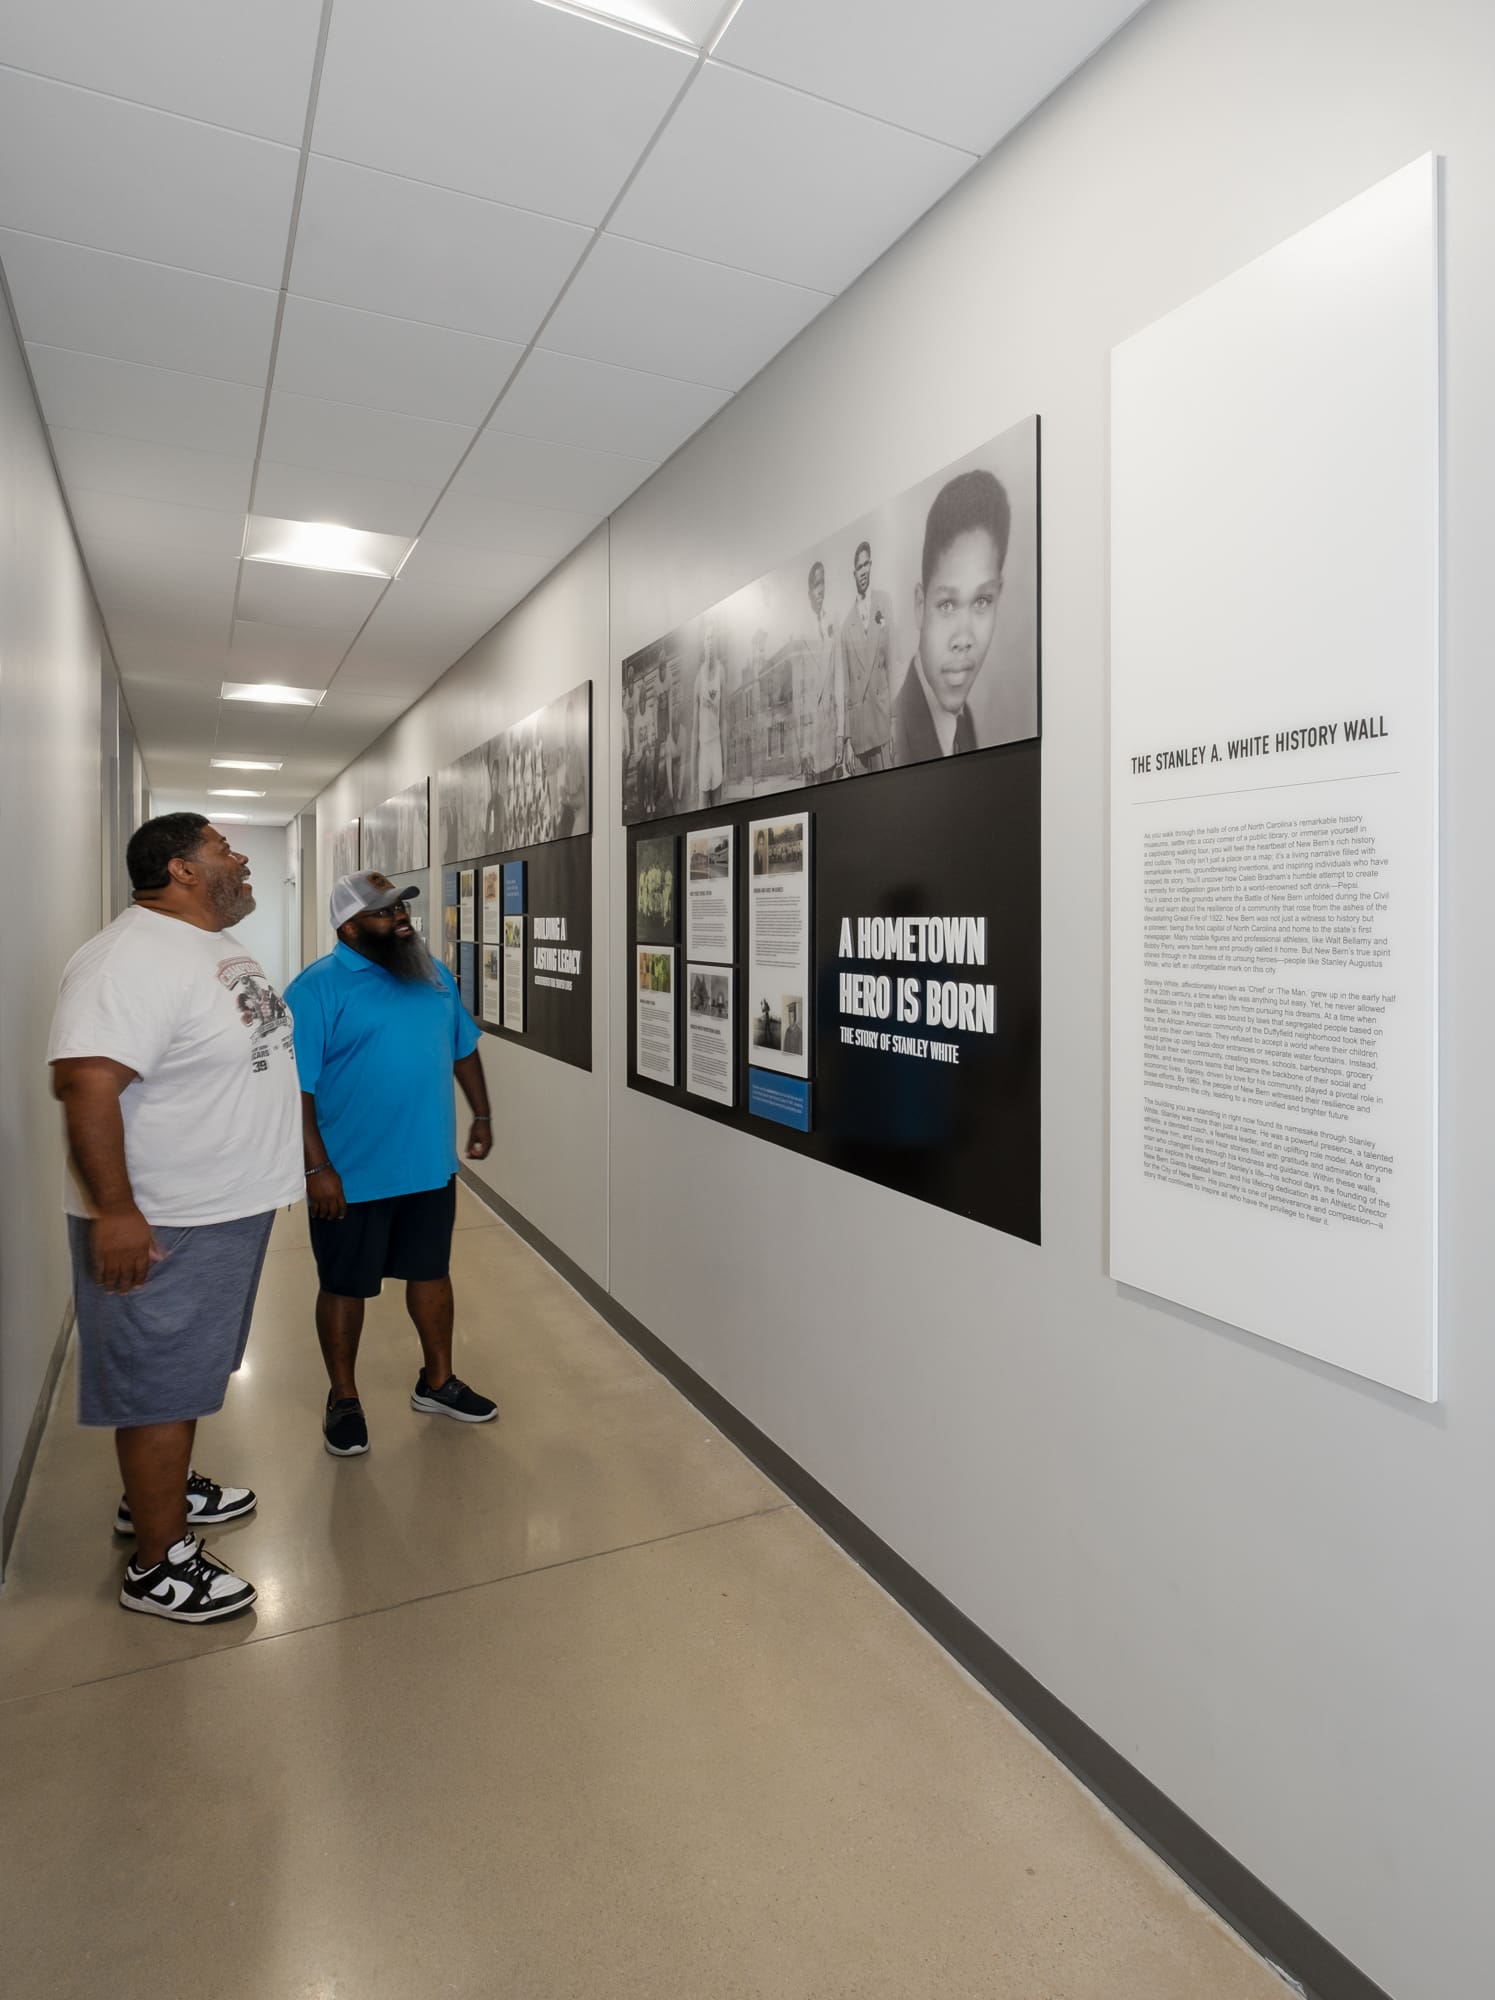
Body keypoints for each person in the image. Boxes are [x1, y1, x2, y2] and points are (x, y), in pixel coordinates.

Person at [48, 813, 302, 1623]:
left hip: (219, 1209)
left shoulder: (201, 944)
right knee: (158, 1385)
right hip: (166, 1221)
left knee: (184, 1373)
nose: (241, 857)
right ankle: (158, 1565)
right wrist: (116, 1211)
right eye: (224, 848)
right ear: (183, 870)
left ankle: (156, 1494)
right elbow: (85, 1084)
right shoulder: (128, 958)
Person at [284, 872, 497, 1457]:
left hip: (428, 1167)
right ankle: (343, 1398)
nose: (400, 918)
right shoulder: (315, 989)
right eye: (383, 913)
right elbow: (294, 1089)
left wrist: (481, 1115)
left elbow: (462, 1048)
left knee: (431, 1273)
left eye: (401, 908)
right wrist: (316, 1169)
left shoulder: (433, 975)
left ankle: (438, 1382)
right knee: (343, 1286)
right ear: (349, 928)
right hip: (350, 1176)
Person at [892, 468, 1011, 766]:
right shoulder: (894, 739)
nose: (963, 639)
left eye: (982, 601)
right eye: (946, 605)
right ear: (920, 606)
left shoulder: (964, 721)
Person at [839, 540, 894, 773]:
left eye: (865, 565)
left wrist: (894, 721)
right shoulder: (846, 627)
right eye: (858, 568)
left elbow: (892, 664)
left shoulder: (884, 602)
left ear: (871, 565)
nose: (863, 571)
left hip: (882, 723)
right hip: (859, 732)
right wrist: (847, 740)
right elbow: (846, 687)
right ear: (853, 573)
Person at [795, 561, 843, 785]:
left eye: (823, 583)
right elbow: (798, 696)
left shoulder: (833, 622)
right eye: (816, 584)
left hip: (830, 734)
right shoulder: (801, 631)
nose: (821, 589)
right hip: (811, 741)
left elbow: (839, 681)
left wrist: (840, 734)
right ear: (809, 592)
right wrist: (803, 748)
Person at [689, 619, 726, 808]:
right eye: (707, 638)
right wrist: (692, 775)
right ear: (703, 643)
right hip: (704, 749)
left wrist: (725, 762)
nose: (710, 642)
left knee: (719, 812)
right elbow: (694, 730)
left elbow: (724, 721)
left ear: (717, 641)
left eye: (713, 638)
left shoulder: (721, 672)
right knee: (702, 810)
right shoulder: (699, 679)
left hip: (716, 746)